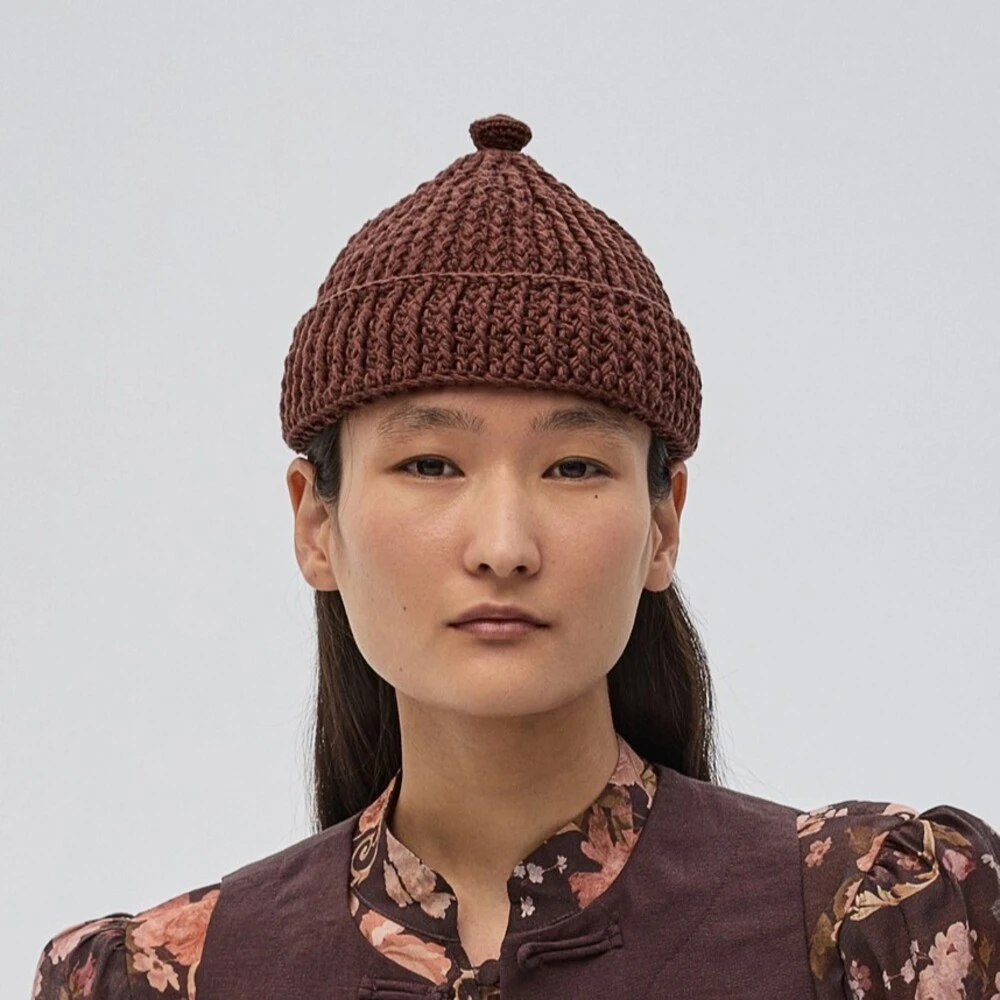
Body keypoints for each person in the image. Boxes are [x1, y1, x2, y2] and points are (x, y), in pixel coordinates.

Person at [32, 114, 1000, 1000]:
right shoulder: (158, 979)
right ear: (315, 523)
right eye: (430, 464)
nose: (503, 547)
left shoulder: (877, 925)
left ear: (664, 522)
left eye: (573, 466)